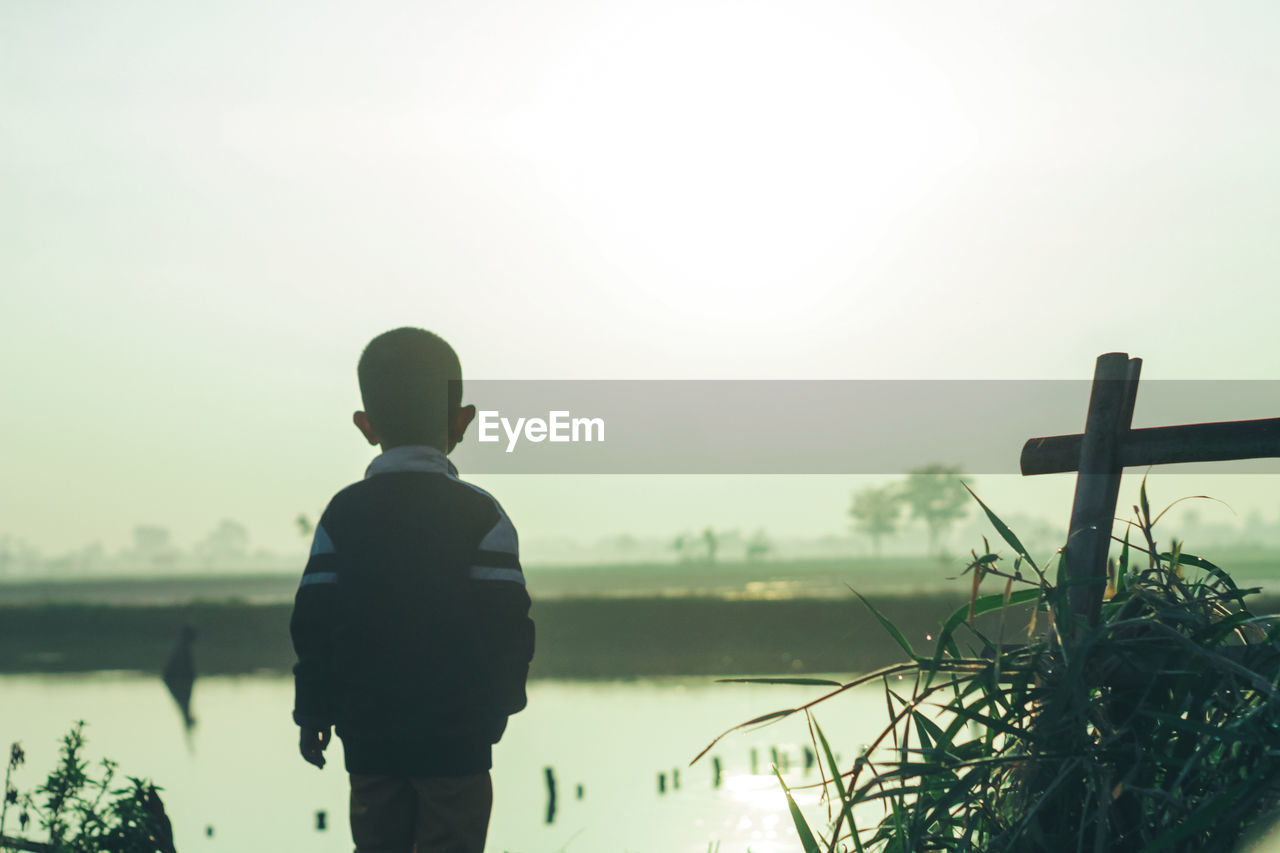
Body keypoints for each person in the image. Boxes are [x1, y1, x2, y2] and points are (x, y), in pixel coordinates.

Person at [290, 327, 534, 853]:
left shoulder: (343, 514)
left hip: (369, 738)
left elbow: (314, 623)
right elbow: (509, 626)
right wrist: (498, 708)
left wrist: (313, 712)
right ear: (462, 422)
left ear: (366, 426)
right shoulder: (482, 514)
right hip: (458, 740)